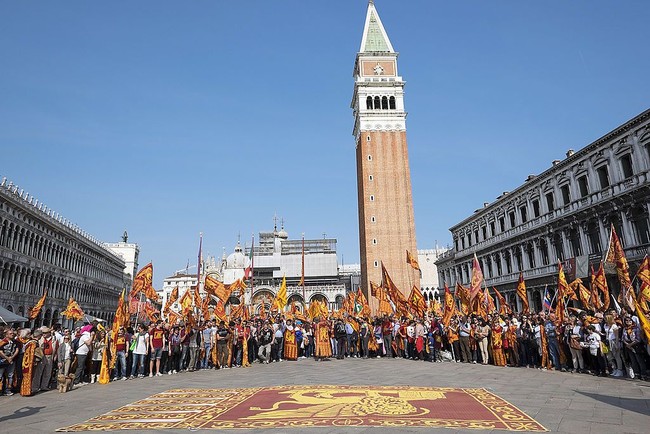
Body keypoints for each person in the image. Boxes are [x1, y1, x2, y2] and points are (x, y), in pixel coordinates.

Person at [0, 328, 18, 396]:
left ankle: (8, 389)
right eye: (10, 334)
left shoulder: (15, 342)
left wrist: (12, 357)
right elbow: (0, 351)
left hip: (11, 360)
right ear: (6, 335)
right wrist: (7, 358)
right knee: (0, 375)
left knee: (10, 375)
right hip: (3, 360)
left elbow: (17, 350)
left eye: (13, 333)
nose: (12, 334)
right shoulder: (2, 342)